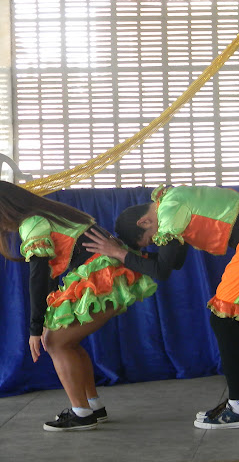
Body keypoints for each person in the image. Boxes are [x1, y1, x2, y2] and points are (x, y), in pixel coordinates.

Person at [91, 184, 239, 430]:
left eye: (151, 238)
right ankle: (238, 402)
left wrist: (119, 254)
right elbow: (173, 261)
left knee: (223, 319)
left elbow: (161, 271)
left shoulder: (169, 211)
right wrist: (122, 253)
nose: (156, 241)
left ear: (145, 222)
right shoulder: (170, 203)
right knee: (225, 320)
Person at [0, 180, 158, 432]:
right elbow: (49, 276)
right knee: (67, 342)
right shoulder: (51, 214)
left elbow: (38, 277)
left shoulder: (33, 222)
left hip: (102, 277)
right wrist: (45, 318)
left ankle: (82, 413)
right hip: (108, 274)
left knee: (55, 343)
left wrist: (35, 328)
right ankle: (93, 406)